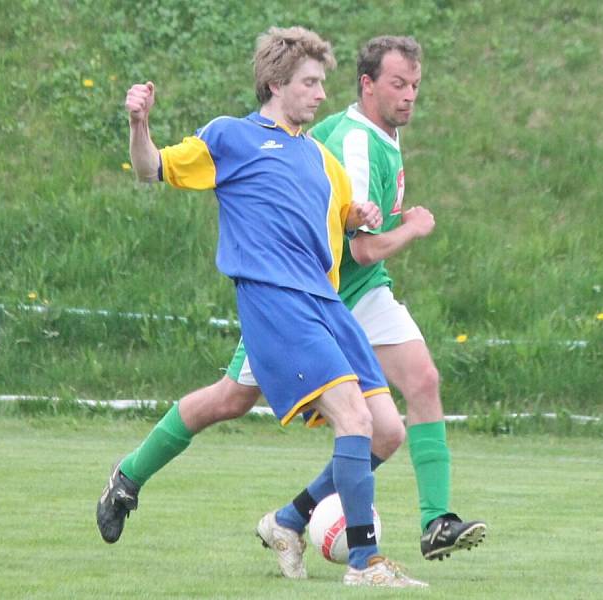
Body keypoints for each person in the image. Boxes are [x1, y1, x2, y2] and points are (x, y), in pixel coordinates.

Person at [97, 33, 485, 577]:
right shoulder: (231, 137)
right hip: (276, 305)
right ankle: (365, 562)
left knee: (374, 427)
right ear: (276, 84)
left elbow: (345, 225)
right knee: (351, 417)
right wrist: (139, 125)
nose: (321, 94)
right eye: (309, 83)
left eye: (322, 83)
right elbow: (148, 168)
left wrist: (358, 215)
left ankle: (259, 512)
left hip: (325, 304)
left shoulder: (322, 160)